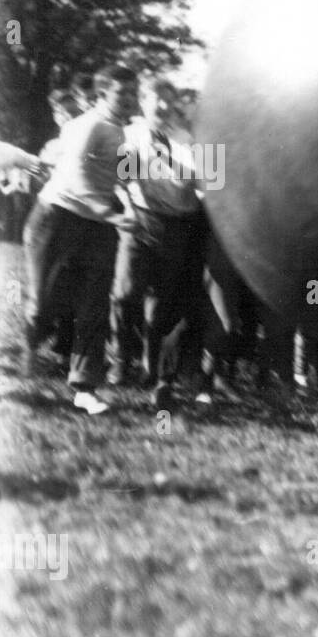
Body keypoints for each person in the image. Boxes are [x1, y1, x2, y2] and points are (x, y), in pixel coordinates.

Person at [23, 64, 140, 414]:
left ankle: (85, 389)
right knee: (44, 306)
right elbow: (76, 178)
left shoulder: (127, 133)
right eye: (122, 93)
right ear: (103, 94)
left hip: (98, 227)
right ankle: (28, 347)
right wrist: (111, 214)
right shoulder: (87, 125)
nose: (130, 99)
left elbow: (126, 178)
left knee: (94, 307)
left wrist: (131, 208)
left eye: (133, 92)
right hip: (57, 217)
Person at [110, 77, 208, 409]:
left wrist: (195, 172)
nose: (162, 106)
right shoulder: (130, 134)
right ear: (143, 101)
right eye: (155, 100)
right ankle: (122, 357)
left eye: (168, 100)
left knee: (161, 304)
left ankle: (153, 370)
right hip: (139, 219)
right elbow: (121, 181)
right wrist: (128, 211)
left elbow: (211, 186)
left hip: (177, 225)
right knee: (125, 293)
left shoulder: (193, 139)